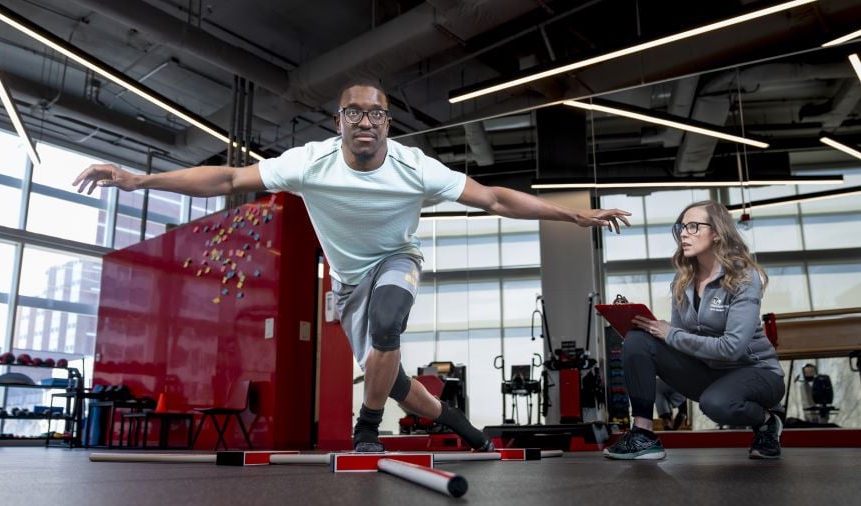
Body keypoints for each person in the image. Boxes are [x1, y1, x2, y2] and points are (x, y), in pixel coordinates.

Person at [73, 79, 631, 453]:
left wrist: (572, 217)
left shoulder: (416, 167)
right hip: (347, 284)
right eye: (354, 112)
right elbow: (226, 178)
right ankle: (466, 429)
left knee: (391, 321)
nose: (365, 121)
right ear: (339, 120)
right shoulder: (308, 162)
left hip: (396, 261)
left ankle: (366, 432)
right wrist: (140, 179)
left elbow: (494, 199)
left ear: (388, 123)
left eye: (376, 113)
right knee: (399, 387)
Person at [603, 200, 785, 460]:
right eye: (681, 227)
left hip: (756, 374)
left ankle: (768, 421)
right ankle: (643, 435)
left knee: (716, 403)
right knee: (638, 338)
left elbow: (732, 348)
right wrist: (653, 332)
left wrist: (669, 334)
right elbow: (679, 339)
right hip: (709, 372)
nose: (684, 233)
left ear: (718, 232)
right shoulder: (682, 280)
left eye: (693, 226)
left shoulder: (744, 277)